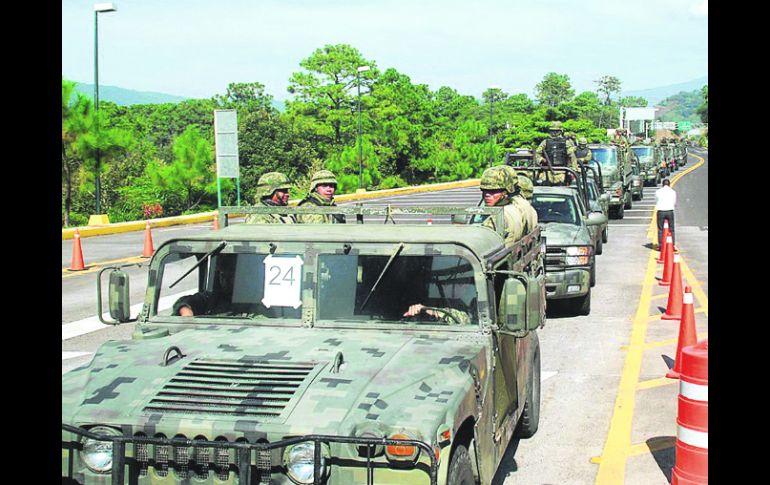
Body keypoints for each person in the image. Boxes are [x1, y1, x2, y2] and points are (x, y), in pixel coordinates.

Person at [654, 178, 677, 251]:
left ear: (662, 184)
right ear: (669, 185)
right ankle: (672, 245)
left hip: (661, 211)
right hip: (670, 211)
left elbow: (656, 200)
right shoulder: (673, 192)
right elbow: (674, 202)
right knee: (671, 229)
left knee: (660, 229)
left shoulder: (658, 192)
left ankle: (660, 245)